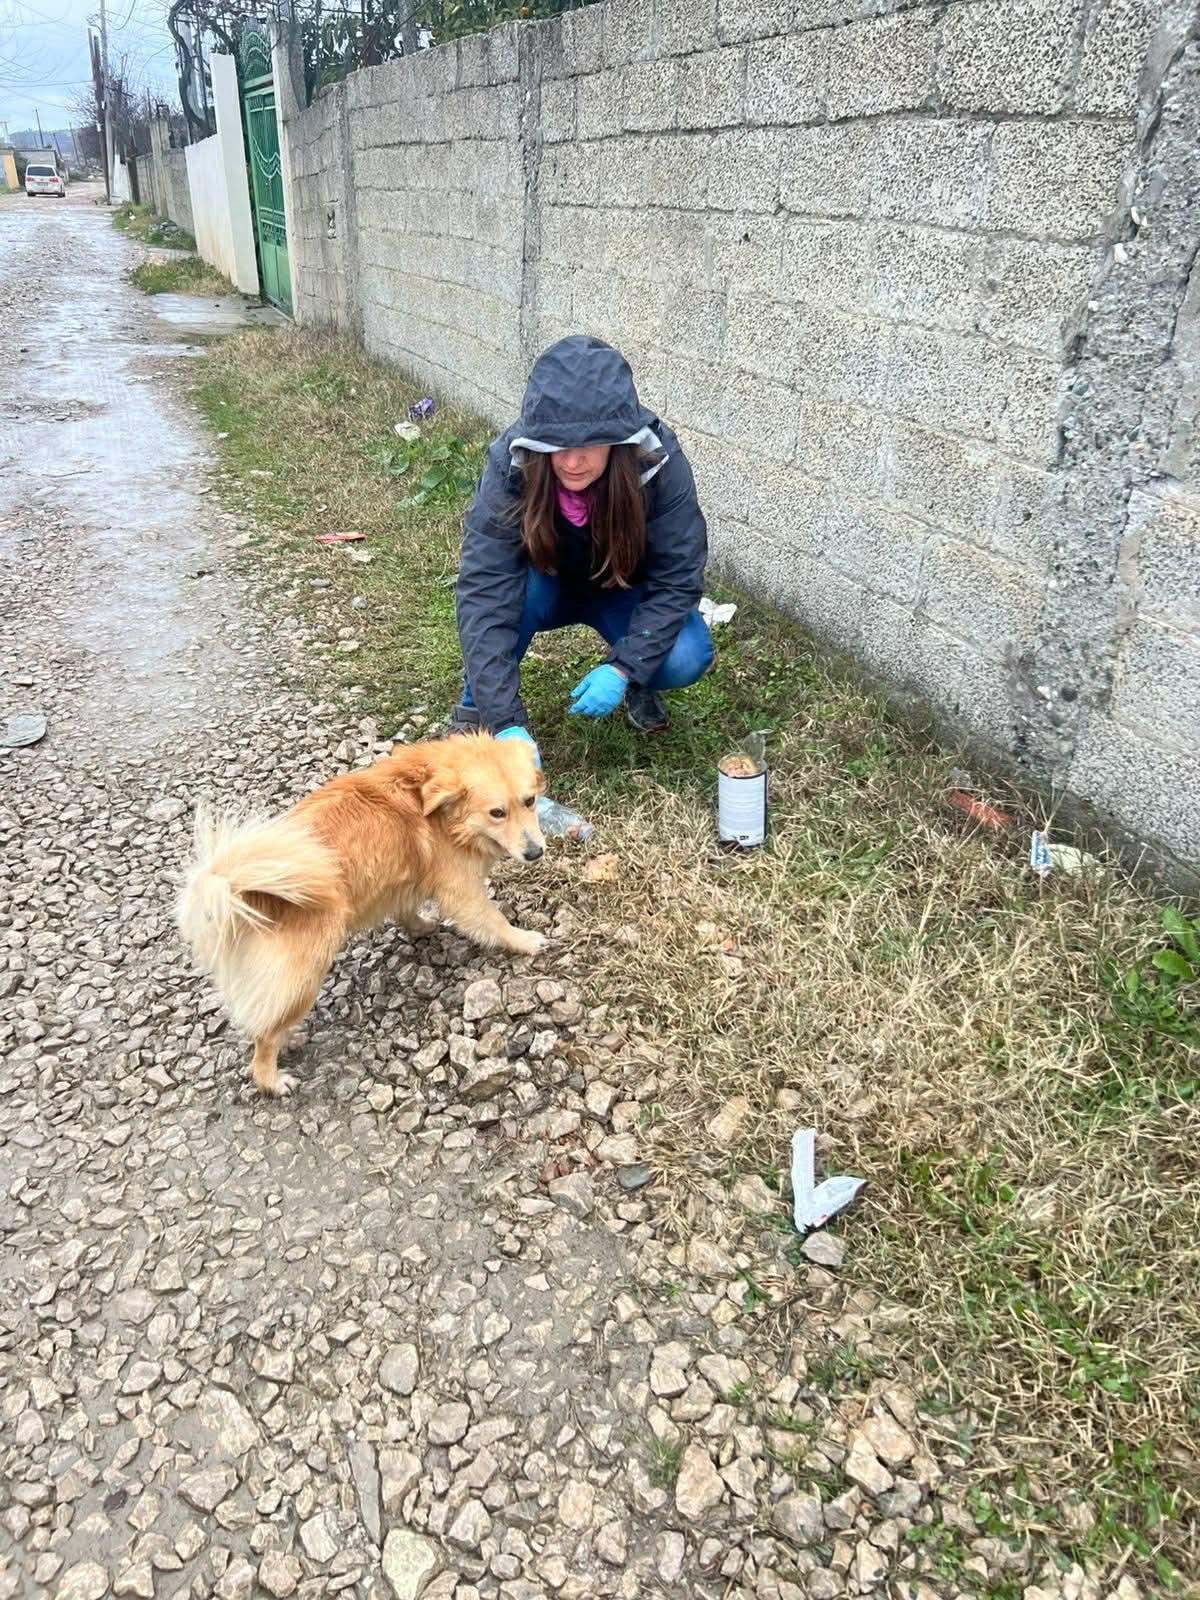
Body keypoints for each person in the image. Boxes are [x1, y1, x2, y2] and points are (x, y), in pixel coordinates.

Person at [451, 335, 713, 761]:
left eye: (588, 445)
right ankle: (479, 710)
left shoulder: (660, 463)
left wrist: (625, 667)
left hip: (622, 588)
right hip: (544, 585)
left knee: (685, 656)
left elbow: (678, 577)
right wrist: (505, 722)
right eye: (557, 447)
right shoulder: (512, 462)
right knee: (506, 597)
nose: (571, 462)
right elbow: (484, 587)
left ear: (620, 440)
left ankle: (637, 682)